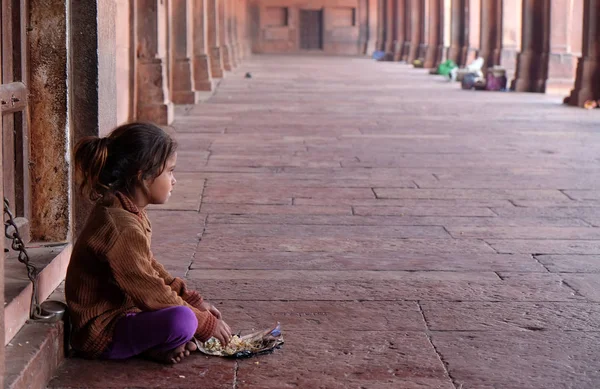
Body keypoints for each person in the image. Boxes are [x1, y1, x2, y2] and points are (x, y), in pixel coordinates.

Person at [65, 122, 232, 364]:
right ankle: (144, 346)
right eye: (170, 171)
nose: (174, 180)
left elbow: (150, 267)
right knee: (184, 321)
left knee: (186, 317)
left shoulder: (126, 210)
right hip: (101, 333)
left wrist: (192, 299)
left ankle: (155, 347)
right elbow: (148, 288)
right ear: (143, 176)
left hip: (125, 313)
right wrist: (204, 323)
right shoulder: (120, 225)